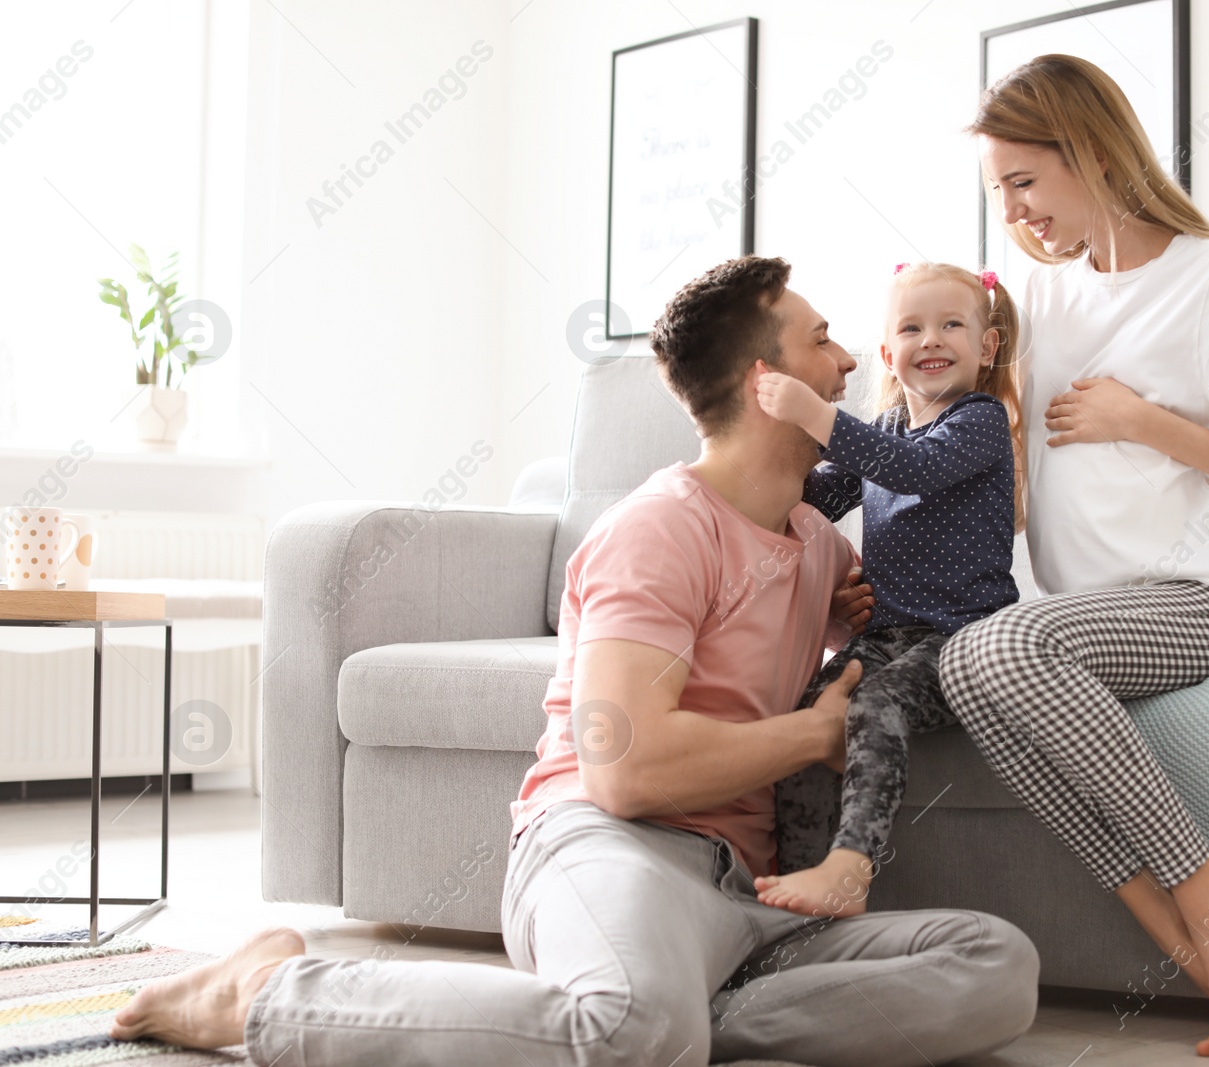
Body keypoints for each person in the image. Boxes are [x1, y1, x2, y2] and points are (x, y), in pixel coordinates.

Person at [109, 255, 1039, 1067]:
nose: (847, 363)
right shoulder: (660, 527)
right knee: (635, 1028)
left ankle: (671, 1022)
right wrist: (812, 734)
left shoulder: (820, 546)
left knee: (996, 966)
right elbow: (627, 773)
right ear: (767, 382)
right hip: (611, 844)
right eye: (825, 338)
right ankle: (275, 989)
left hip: (749, 887)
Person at [941, 55, 1209, 1064]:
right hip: (1084, 614)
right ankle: (1194, 948)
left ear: (1092, 151)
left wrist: (1143, 421)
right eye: (998, 193)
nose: (1015, 213)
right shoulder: (1036, 291)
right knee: (966, 664)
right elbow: (1006, 463)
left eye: (1025, 181)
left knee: (1009, 651)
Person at [748, 260, 1024, 919]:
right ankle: (796, 884)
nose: (930, 339)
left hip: (964, 634)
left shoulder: (979, 421)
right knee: (806, 716)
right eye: (911, 327)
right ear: (887, 352)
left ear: (986, 349)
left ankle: (851, 865)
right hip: (886, 632)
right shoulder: (886, 433)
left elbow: (914, 470)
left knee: (876, 707)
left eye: (951, 325)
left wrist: (814, 412)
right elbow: (813, 497)